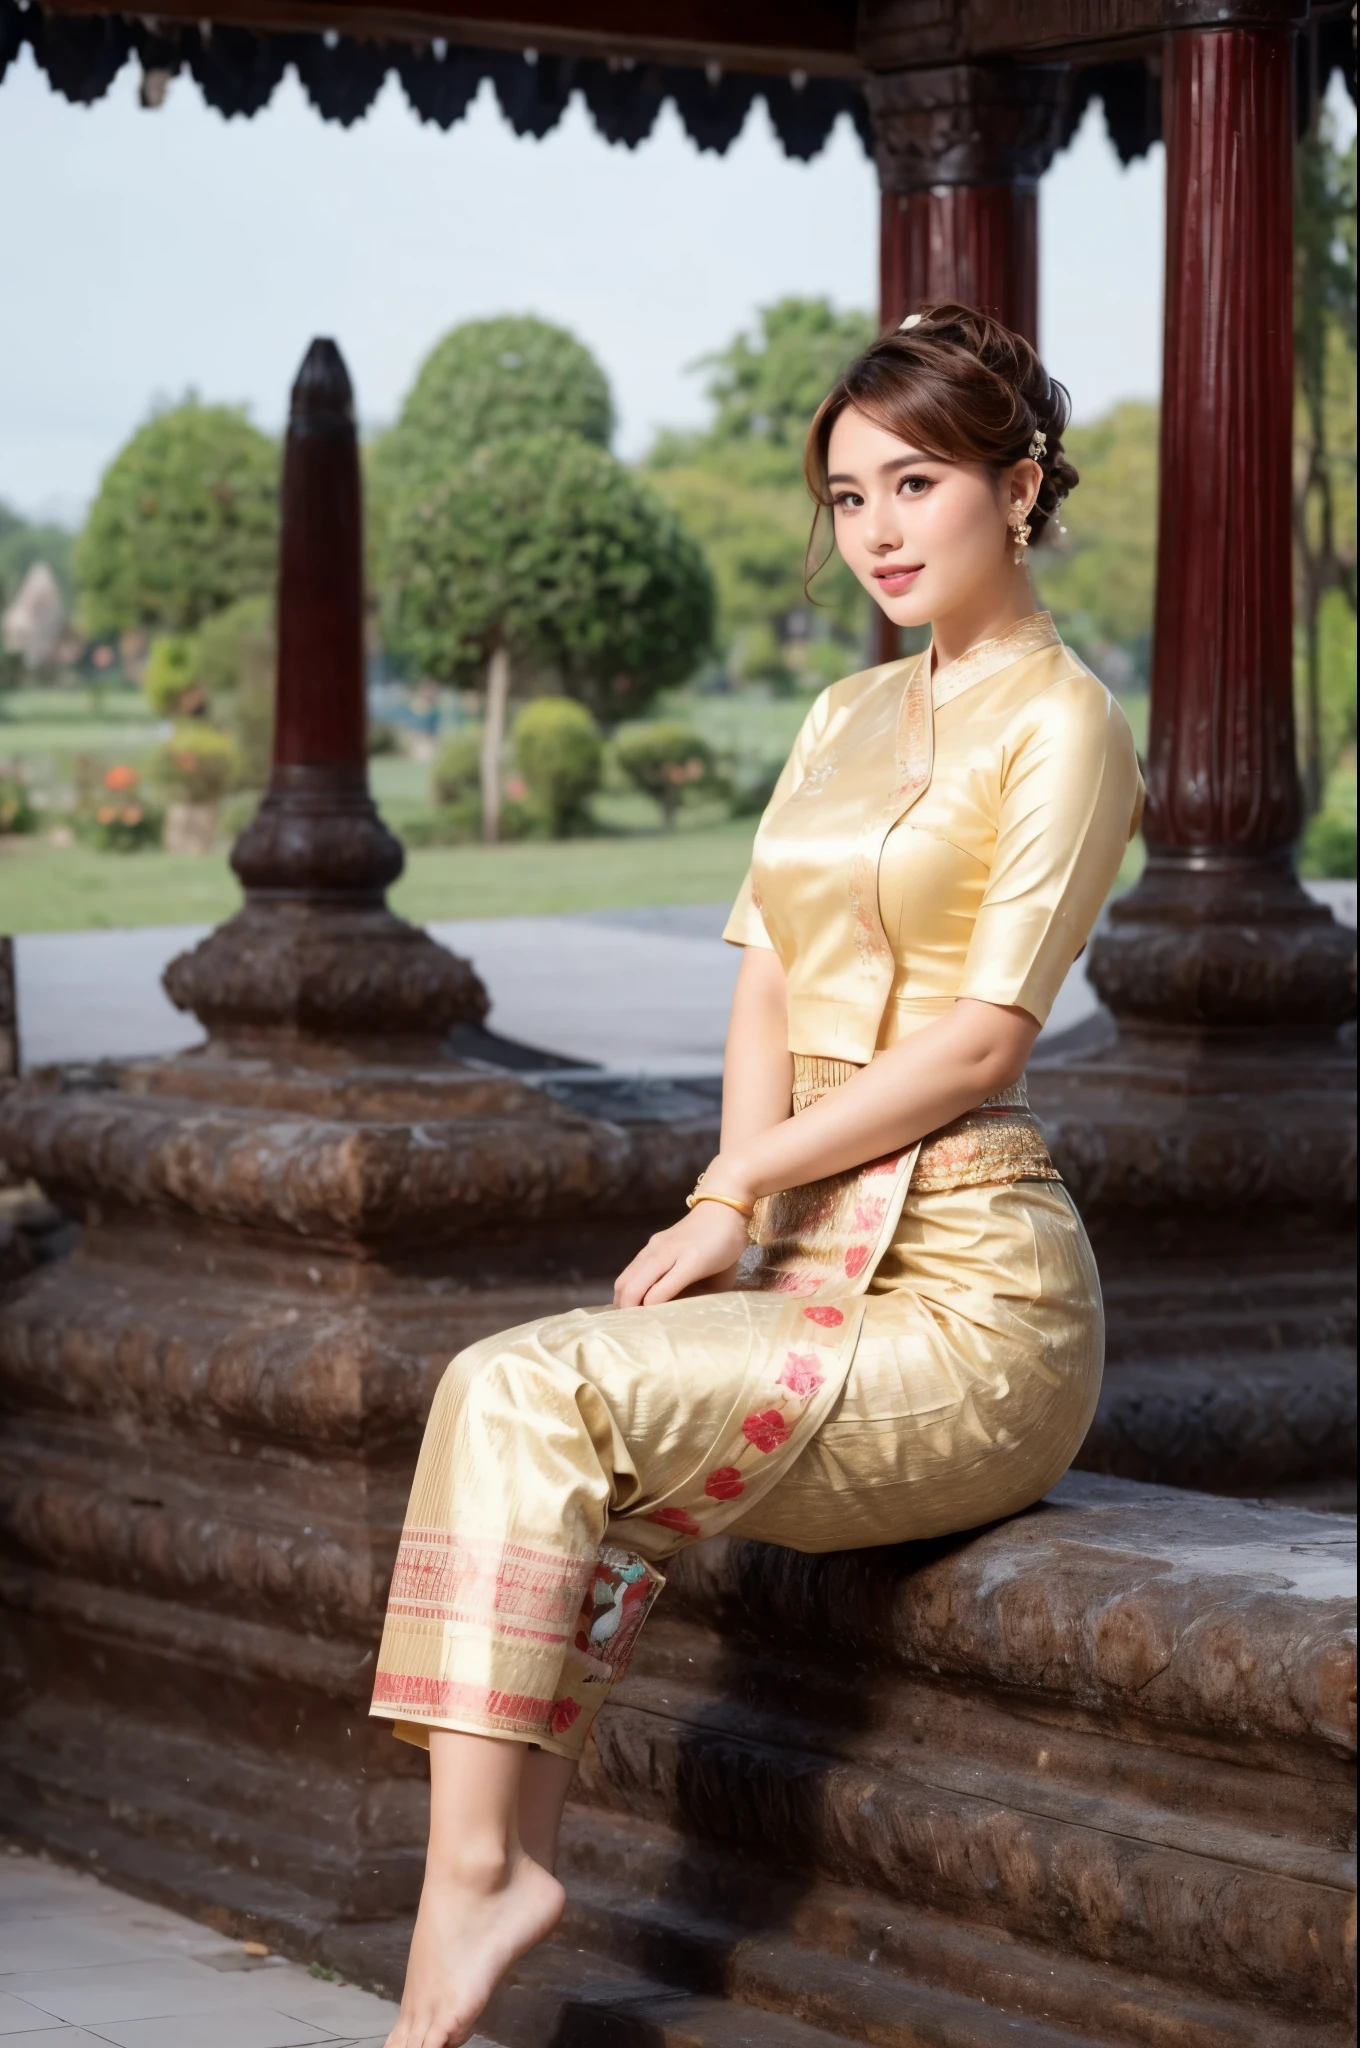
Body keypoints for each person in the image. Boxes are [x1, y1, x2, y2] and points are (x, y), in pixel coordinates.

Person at [373, 302, 1144, 2048]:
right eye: (846, 493)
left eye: (918, 481)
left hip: (969, 1294)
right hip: (811, 1257)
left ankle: (478, 1903)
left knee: (526, 1387)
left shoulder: (1066, 723)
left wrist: (729, 1197)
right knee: (515, 1407)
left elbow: (975, 1046)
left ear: (1018, 491)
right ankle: (473, 1928)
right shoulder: (839, 716)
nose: (874, 529)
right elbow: (772, 976)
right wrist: (747, 1201)